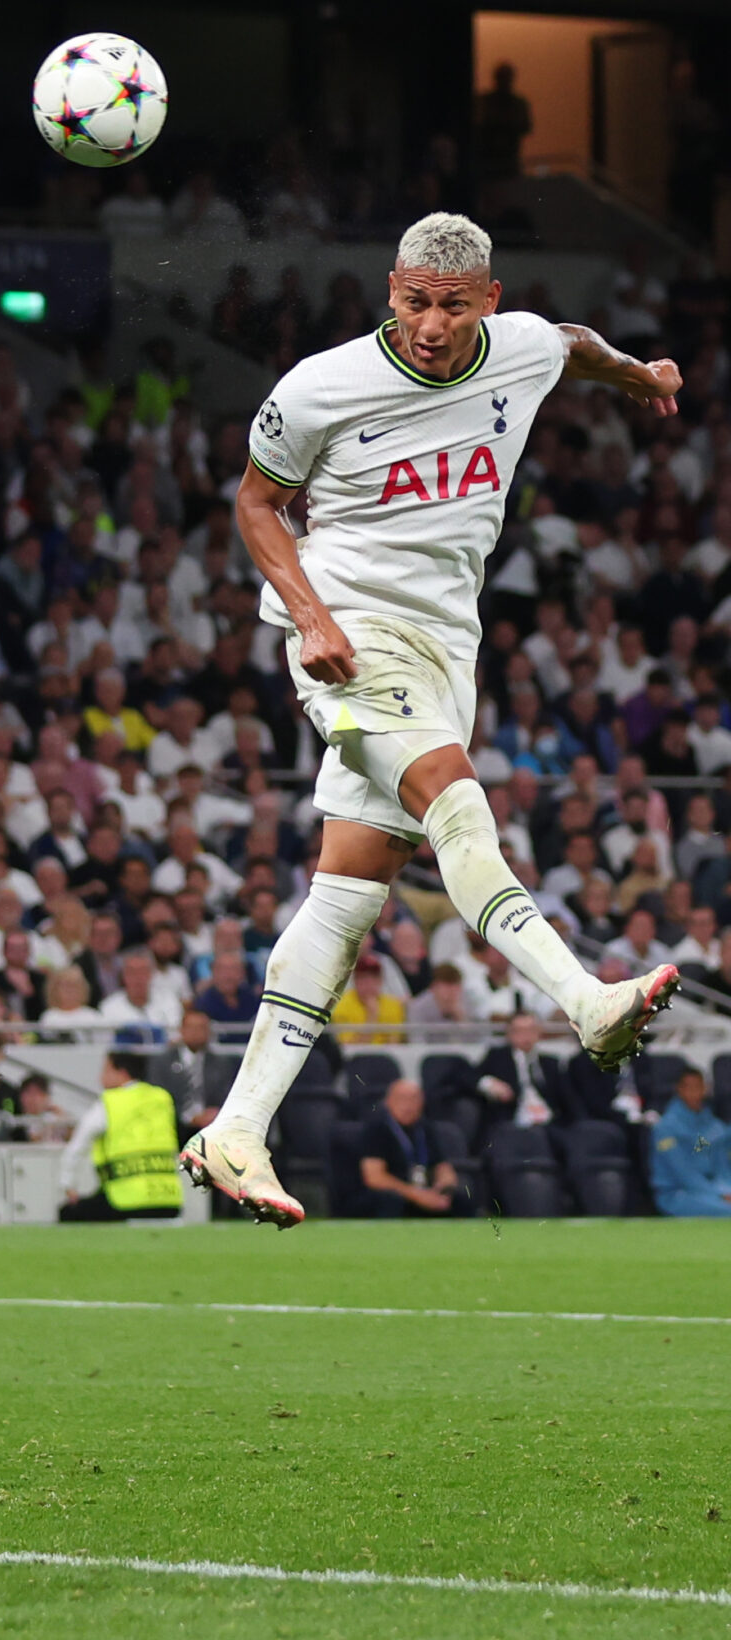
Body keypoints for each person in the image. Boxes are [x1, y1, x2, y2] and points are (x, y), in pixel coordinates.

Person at [181, 212, 684, 1227]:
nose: (429, 324)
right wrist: (311, 616)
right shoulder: (318, 388)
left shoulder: (524, 347)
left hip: (445, 646)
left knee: (347, 894)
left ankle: (235, 1129)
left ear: (486, 303)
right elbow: (253, 505)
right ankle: (583, 998)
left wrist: (636, 375)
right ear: (390, 290)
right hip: (349, 635)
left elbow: (573, 346)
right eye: (413, 300)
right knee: (458, 804)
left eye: (451, 306)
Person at [59, 1048, 184, 1221]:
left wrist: (68, 1184)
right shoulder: (162, 1099)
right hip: (169, 1201)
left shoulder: (110, 1102)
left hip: (126, 1201)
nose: (100, 1078)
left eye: (105, 1070)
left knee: (68, 1213)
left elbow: (78, 1146)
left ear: (122, 1073)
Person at [357, 1078, 475, 1218]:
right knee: (391, 1201)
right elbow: (374, 1177)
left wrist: (444, 1184)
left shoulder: (425, 1129)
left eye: (414, 1099)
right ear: (388, 1102)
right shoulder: (377, 1130)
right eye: (402, 1098)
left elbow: (443, 1167)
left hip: (423, 1190)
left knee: (461, 1198)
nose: (408, 1105)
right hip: (396, 1193)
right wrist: (417, 1195)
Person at [650, 1067, 731, 1217]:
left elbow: (723, 1167)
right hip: (679, 1194)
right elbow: (682, 1171)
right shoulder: (666, 1128)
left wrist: (727, 1190)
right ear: (679, 1089)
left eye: (698, 1086)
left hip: (716, 1189)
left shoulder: (714, 1126)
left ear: (705, 1088)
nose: (694, 1092)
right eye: (689, 1087)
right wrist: (718, 1194)